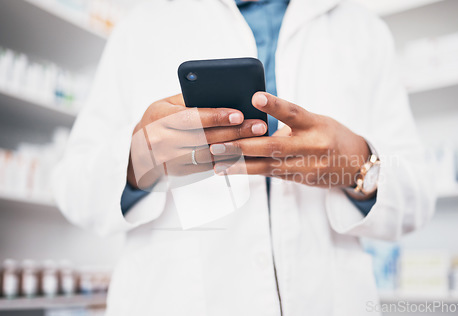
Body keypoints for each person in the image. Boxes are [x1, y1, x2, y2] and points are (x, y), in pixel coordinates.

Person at [52, 0, 435, 315]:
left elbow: (418, 199)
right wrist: (136, 164)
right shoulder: (140, 28)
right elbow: (73, 190)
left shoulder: (363, 31)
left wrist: (356, 163)